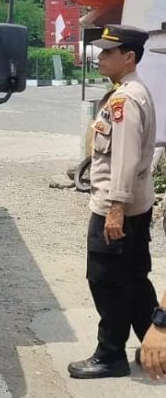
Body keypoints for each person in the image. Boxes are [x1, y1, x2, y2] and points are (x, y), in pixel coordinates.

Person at [68, 25, 159, 379]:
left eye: (108, 52)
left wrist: (115, 209)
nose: (101, 57)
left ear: (129, 57)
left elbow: (123, 157)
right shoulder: (127, 92)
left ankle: (110, 355)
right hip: (129, 205)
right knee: (133, 279)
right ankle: (156, 344)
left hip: (116, 206)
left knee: (106, 280)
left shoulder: (124, 101)